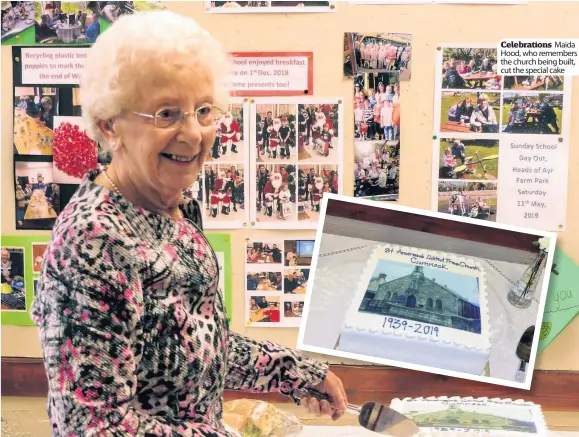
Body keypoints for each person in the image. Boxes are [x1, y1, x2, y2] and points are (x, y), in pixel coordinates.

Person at [31, 11, 347, 437]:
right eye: (167, 113)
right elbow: (95, 426)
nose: (194, 134)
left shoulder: (178, 208)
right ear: (109, 125)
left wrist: (298, 373)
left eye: (203, 110)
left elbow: (193, 345)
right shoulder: (93, 241)